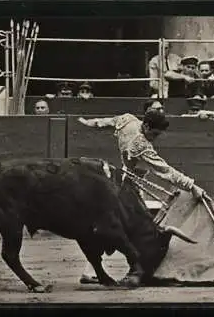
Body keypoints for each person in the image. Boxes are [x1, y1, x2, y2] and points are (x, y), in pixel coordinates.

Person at [76, 110, 207, 284]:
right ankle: (134, 270)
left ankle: (91, 270)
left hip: (122, 185)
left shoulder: (128, 120)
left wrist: (90, 122)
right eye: (154, 134)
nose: (155, 138)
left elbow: (108, 120)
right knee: (130, 231)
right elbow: (165, 171)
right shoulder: (141, 145)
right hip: (129, 191)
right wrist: (192, 186)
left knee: (111, 229)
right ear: (145, 126)